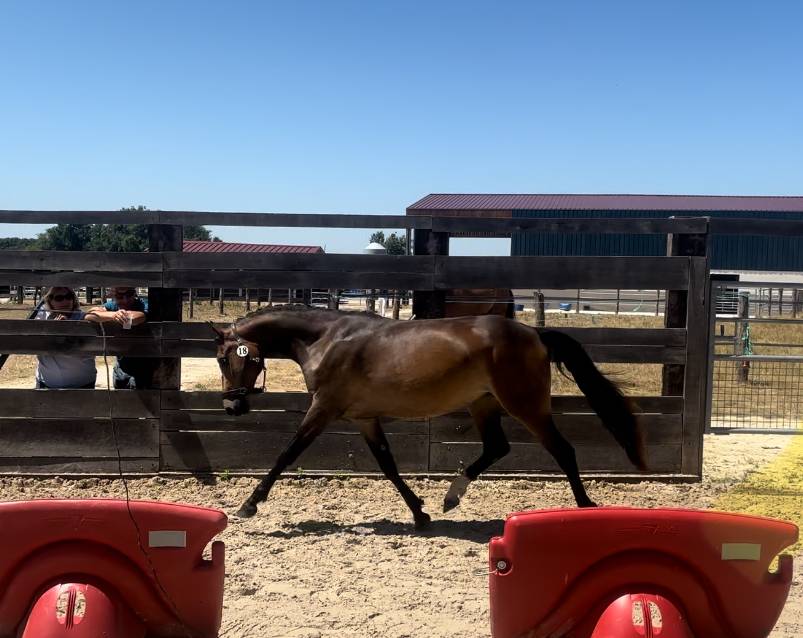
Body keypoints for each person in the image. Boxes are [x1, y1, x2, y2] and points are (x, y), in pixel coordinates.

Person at [85, 287, 156, 389]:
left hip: (143, 367)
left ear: (134, 293)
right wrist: (113, 315)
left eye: (129, 294)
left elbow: (137, 318)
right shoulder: (112, 305)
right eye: (120, 296)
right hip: (120, 367)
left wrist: (120, 316)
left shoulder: (143, 304)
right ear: (114, 295)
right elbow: (89, 315)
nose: (125, 300)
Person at [34, 286, 97, 389]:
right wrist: (53, 329)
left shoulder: (82, 316)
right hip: (47, 383)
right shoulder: (42, 317)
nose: (65, 301)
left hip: (83, 384)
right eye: (59, 298)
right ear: (50, 301)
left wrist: (68, 327)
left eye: (69, 296)